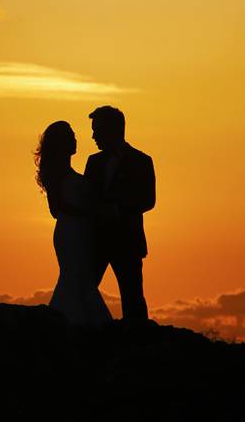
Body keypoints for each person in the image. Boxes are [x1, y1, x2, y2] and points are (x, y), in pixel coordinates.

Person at [35, 121, 112, 326]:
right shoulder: (56, 174)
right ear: (62, 143)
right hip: (69, 233)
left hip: (81, 233)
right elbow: (55, 209)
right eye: (71, 136)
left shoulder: (71, 172)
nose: (76, 140)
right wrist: (86, 213)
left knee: (78, 278)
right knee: (76, 277)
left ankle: (65, 320)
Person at [83, 106, 156, 321]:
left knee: (132, 297)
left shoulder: (141, 161)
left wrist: (115, 209)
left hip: (127, 241)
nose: (93, 136)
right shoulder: (93, 162)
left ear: (113, 130)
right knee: (85, 290)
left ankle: (138, 344)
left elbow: (148, 200)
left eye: (97, 130)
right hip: (97, 241)